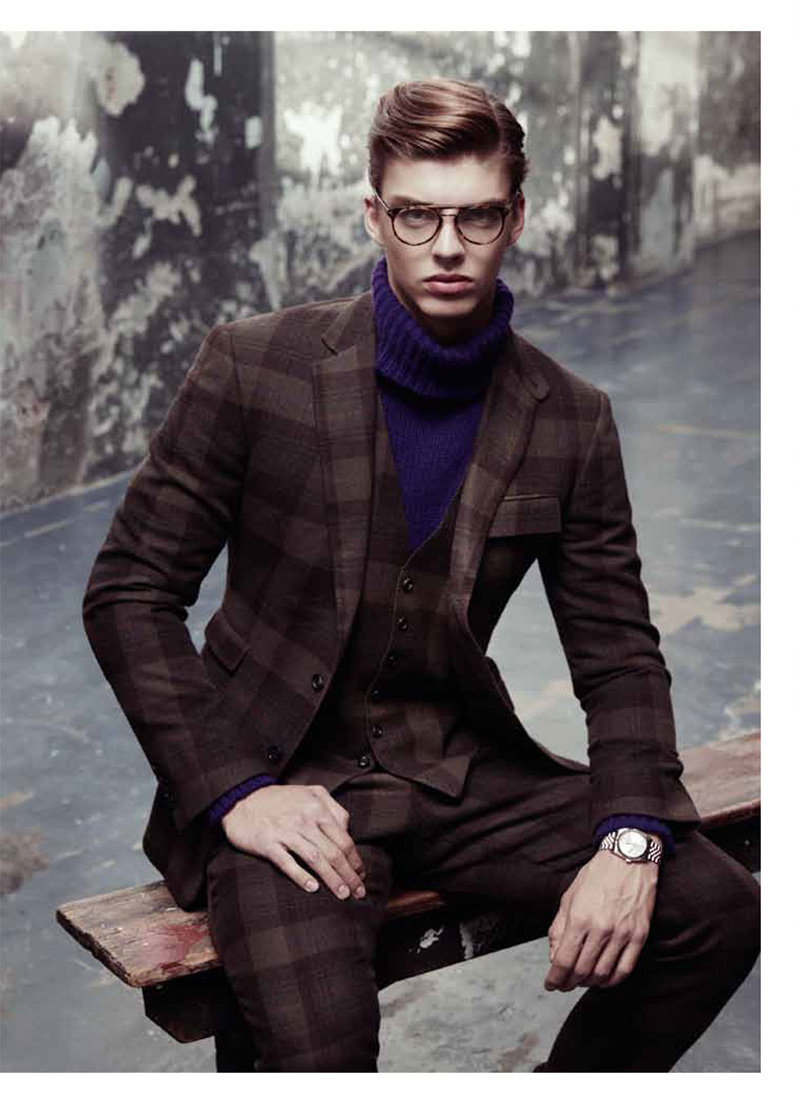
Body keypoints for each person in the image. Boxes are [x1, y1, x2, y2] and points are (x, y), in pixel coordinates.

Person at [83, 77, 759, 1073]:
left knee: (714, 908)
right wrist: (234, 792)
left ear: (513, 218)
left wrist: (629, 839)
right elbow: (129, 593)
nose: (447, 246)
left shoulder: (568, 416)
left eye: (475, 216)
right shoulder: (255, 368)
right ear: (375, 215)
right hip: (283, 781)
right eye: (416, 215)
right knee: (320, 1046)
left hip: (457, 771)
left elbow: (617, 653)